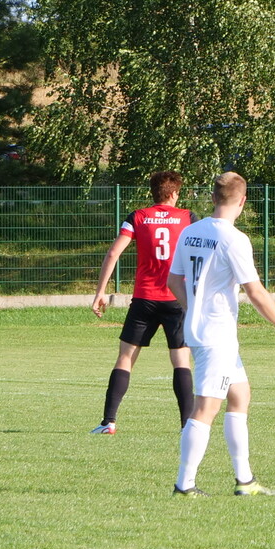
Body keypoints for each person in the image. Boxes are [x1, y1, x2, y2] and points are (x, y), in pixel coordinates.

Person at [166, 172, 275, 497]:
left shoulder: (190, 231)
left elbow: (172, 281)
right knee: (206, 408)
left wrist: (194, 307)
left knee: (240, 395)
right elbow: (255, 291)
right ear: (242, 201)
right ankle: (184, 484)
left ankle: (245, 480)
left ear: (213, 198)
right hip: (217, 335)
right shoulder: (234, 239)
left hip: (202, 330)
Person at [88, 171, 195, 434]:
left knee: (125, 358)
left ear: (154, 193)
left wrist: (100, 292)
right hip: (176, 298)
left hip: (144, 299)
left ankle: (108, 422)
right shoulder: (187, 218)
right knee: (181, 360)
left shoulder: (138, 217)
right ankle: (187, 425)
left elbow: (113, 253)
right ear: (173, 193)